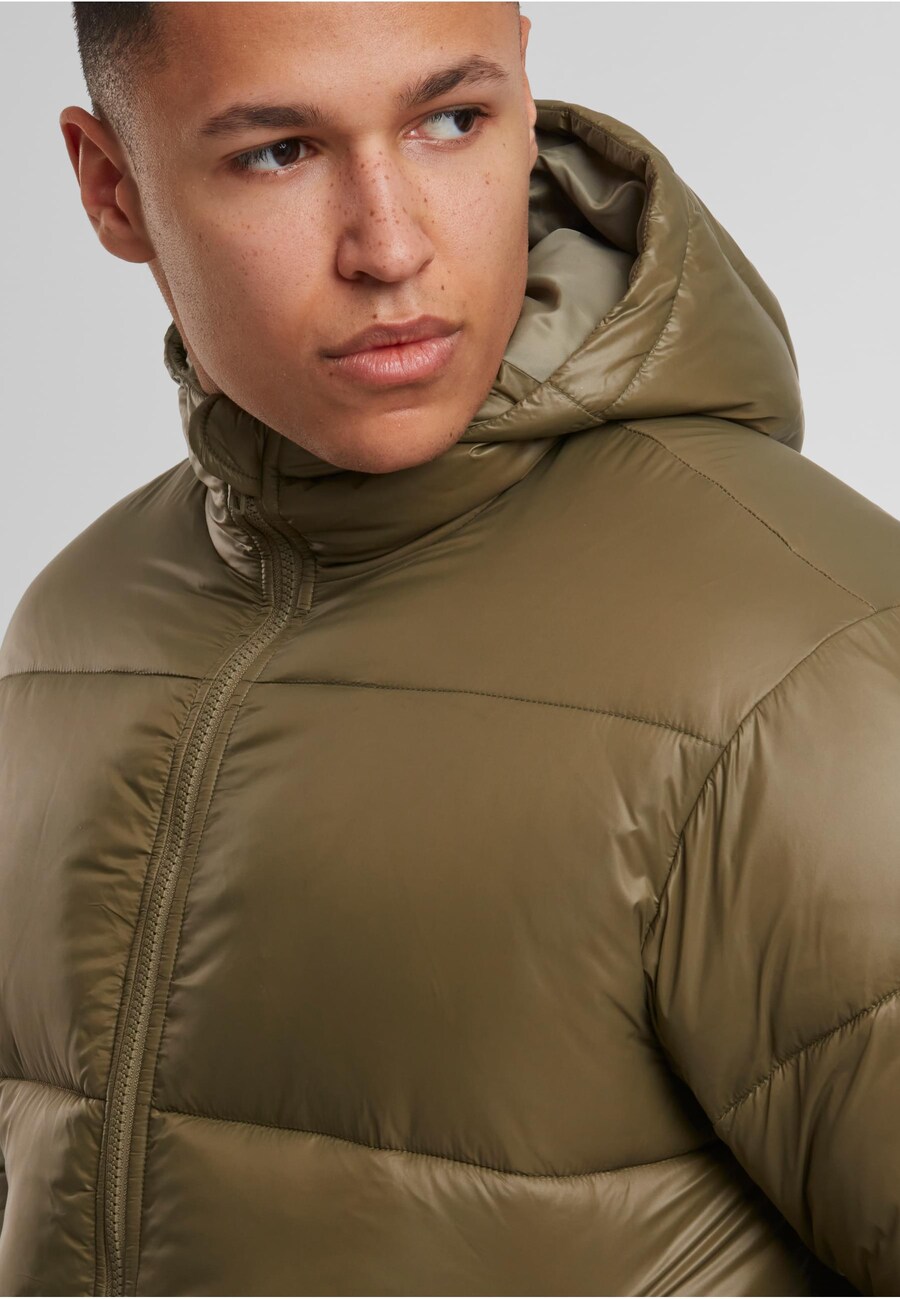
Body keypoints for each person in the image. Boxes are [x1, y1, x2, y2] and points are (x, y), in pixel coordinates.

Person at [0, 1, 897, 1293]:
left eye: (451, 120)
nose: (390, 245)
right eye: (279, 152)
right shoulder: (68, 636)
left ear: (526, 97)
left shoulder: (808, 660)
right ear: (110, 187)